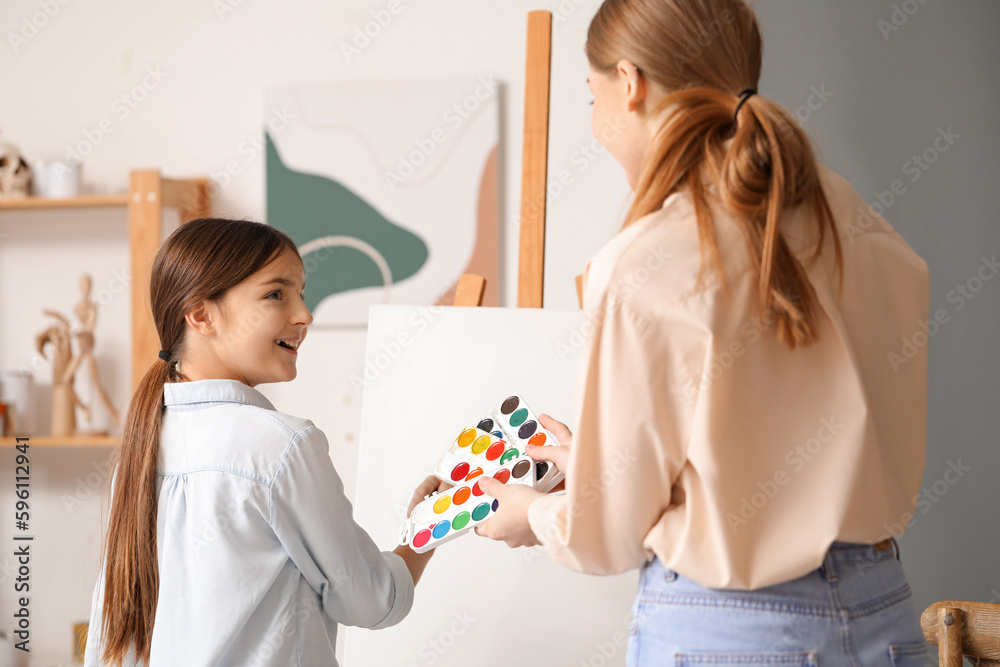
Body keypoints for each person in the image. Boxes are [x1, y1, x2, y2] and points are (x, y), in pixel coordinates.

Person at [471, 0, 931, 663]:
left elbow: (606, 537)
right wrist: (599, 466)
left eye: (591, 95)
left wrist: (531, 512)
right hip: (886, 617)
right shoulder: (862, 226)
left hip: (731, 631)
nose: (598, 122)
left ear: (628, 84)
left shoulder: (642, 261)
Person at [84, 218, 439, 666]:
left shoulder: (140, 449)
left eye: (302, 294)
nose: (305, 315)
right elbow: (371, 599)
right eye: (276, 294)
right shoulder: (283, 446)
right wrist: (425, 531)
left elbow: (109, 633)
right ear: (201, 315)